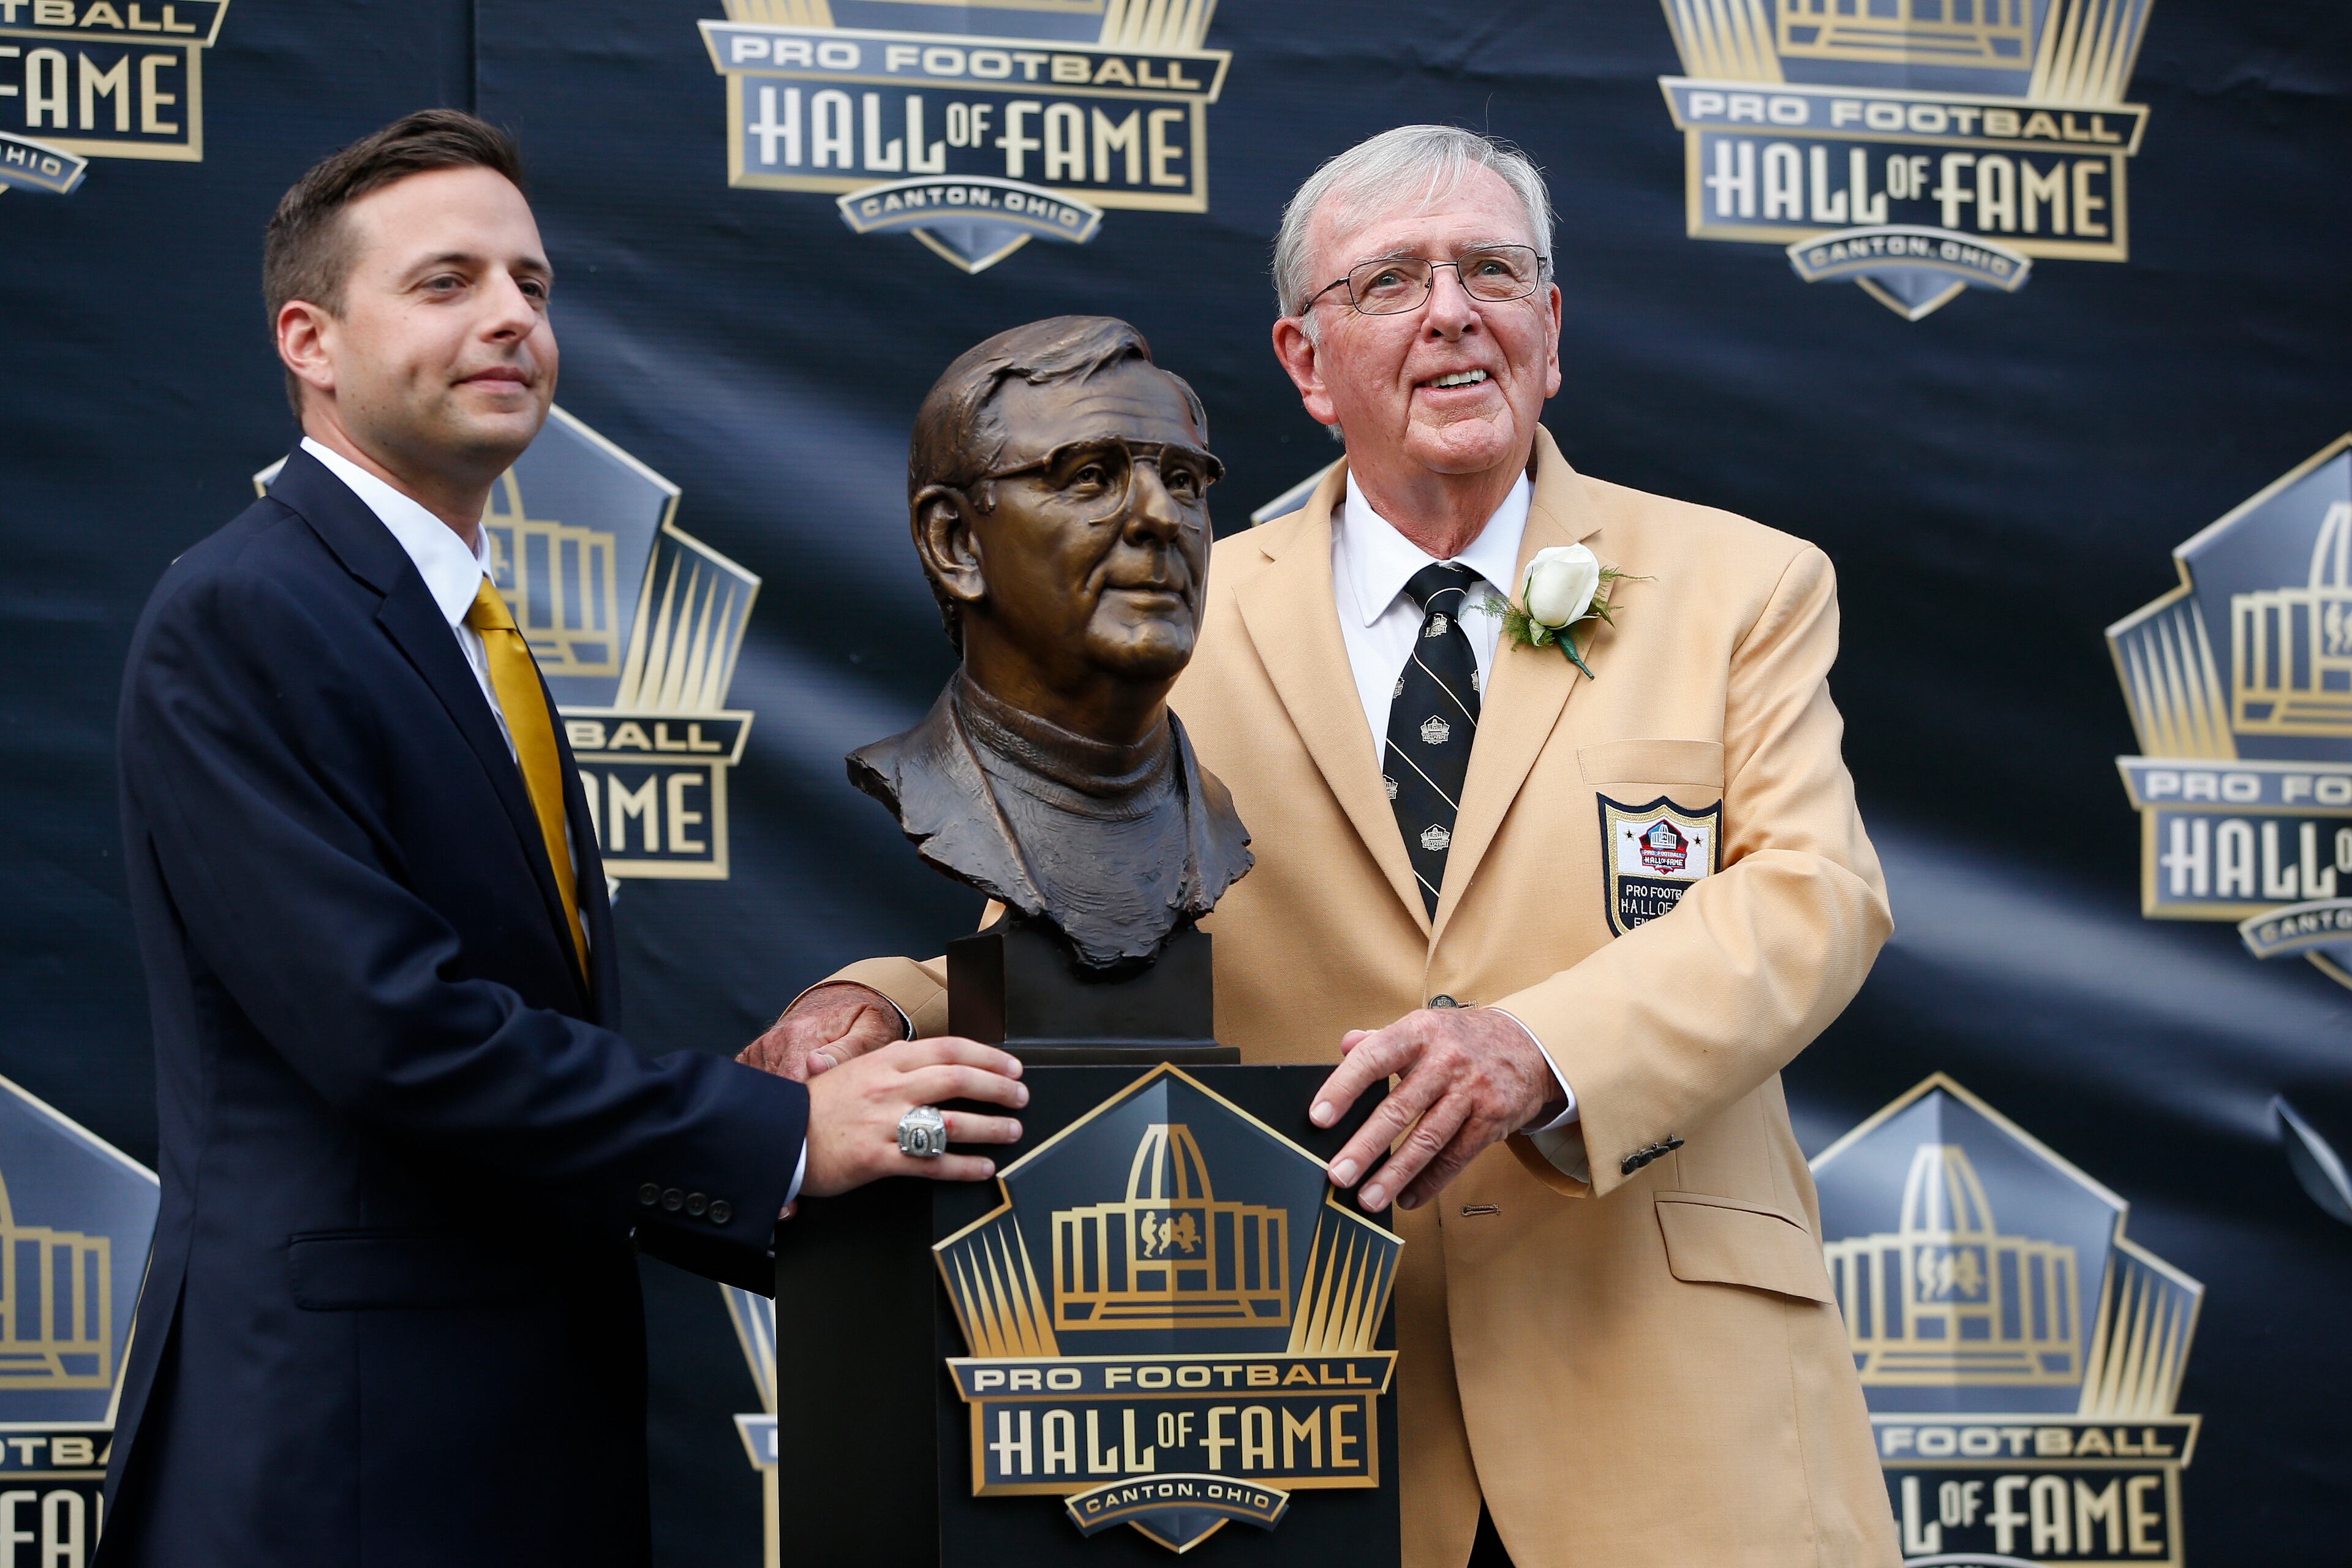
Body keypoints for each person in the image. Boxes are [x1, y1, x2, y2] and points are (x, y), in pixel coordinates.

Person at [757, 124, 1900, 1567]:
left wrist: (1536, 1049)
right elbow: (1072, 949)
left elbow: (1813, 898)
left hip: (1669, 1404)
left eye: (1492, 270)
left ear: (1549, 332)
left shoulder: (1741, 584)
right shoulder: (1172, 614)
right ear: (1306, 364)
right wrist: (876, 1004)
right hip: (1319, 1420)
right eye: (1390, 282)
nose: (1450, 310)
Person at [102, 110, 1027, 1568]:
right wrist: (787, 1134)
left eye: (531, 285)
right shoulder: (245, 614)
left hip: (512, 1445)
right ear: (309, 339)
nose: (509, 319)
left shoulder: (461, 625)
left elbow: (508, 1051)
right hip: (338, 1464)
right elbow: (396, 1034)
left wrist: (802, 1138)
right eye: (444, 281)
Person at [845, 316, 1251, 971]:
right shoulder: (924, 784)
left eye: (1183, 480)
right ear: (955, 542)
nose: (1159, 517)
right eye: (1091, 474)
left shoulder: (1215, 812)